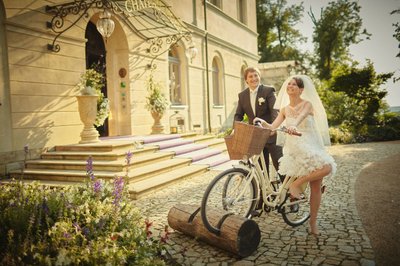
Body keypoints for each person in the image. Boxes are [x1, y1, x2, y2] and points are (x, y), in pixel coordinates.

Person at [254, 75, 336, 235]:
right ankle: (297, 185)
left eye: (294, 84)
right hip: (296, 147)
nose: (290, 86)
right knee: (325, 169)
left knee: (318, 182)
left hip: (312, 145)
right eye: (289, 84)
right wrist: (263, 123)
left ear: (301, 90)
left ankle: (312, 221)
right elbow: (273, 128)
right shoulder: (284, 109)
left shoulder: (307, 104)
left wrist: (293, 125)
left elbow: (301, 116)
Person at [234, 67, 283, 176]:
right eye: (250, 76)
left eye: (256, 75)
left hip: (271, 134)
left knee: (279, 165)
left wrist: (273, 128)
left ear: (259, 77)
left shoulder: (268, 90)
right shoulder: (242, 96)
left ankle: (287, 191)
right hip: (256, 137)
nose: (254, 78)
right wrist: (236, 129)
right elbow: (238, 115)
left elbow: (275, 111)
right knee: (260, 169)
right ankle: (263, 192)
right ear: (246, 80)